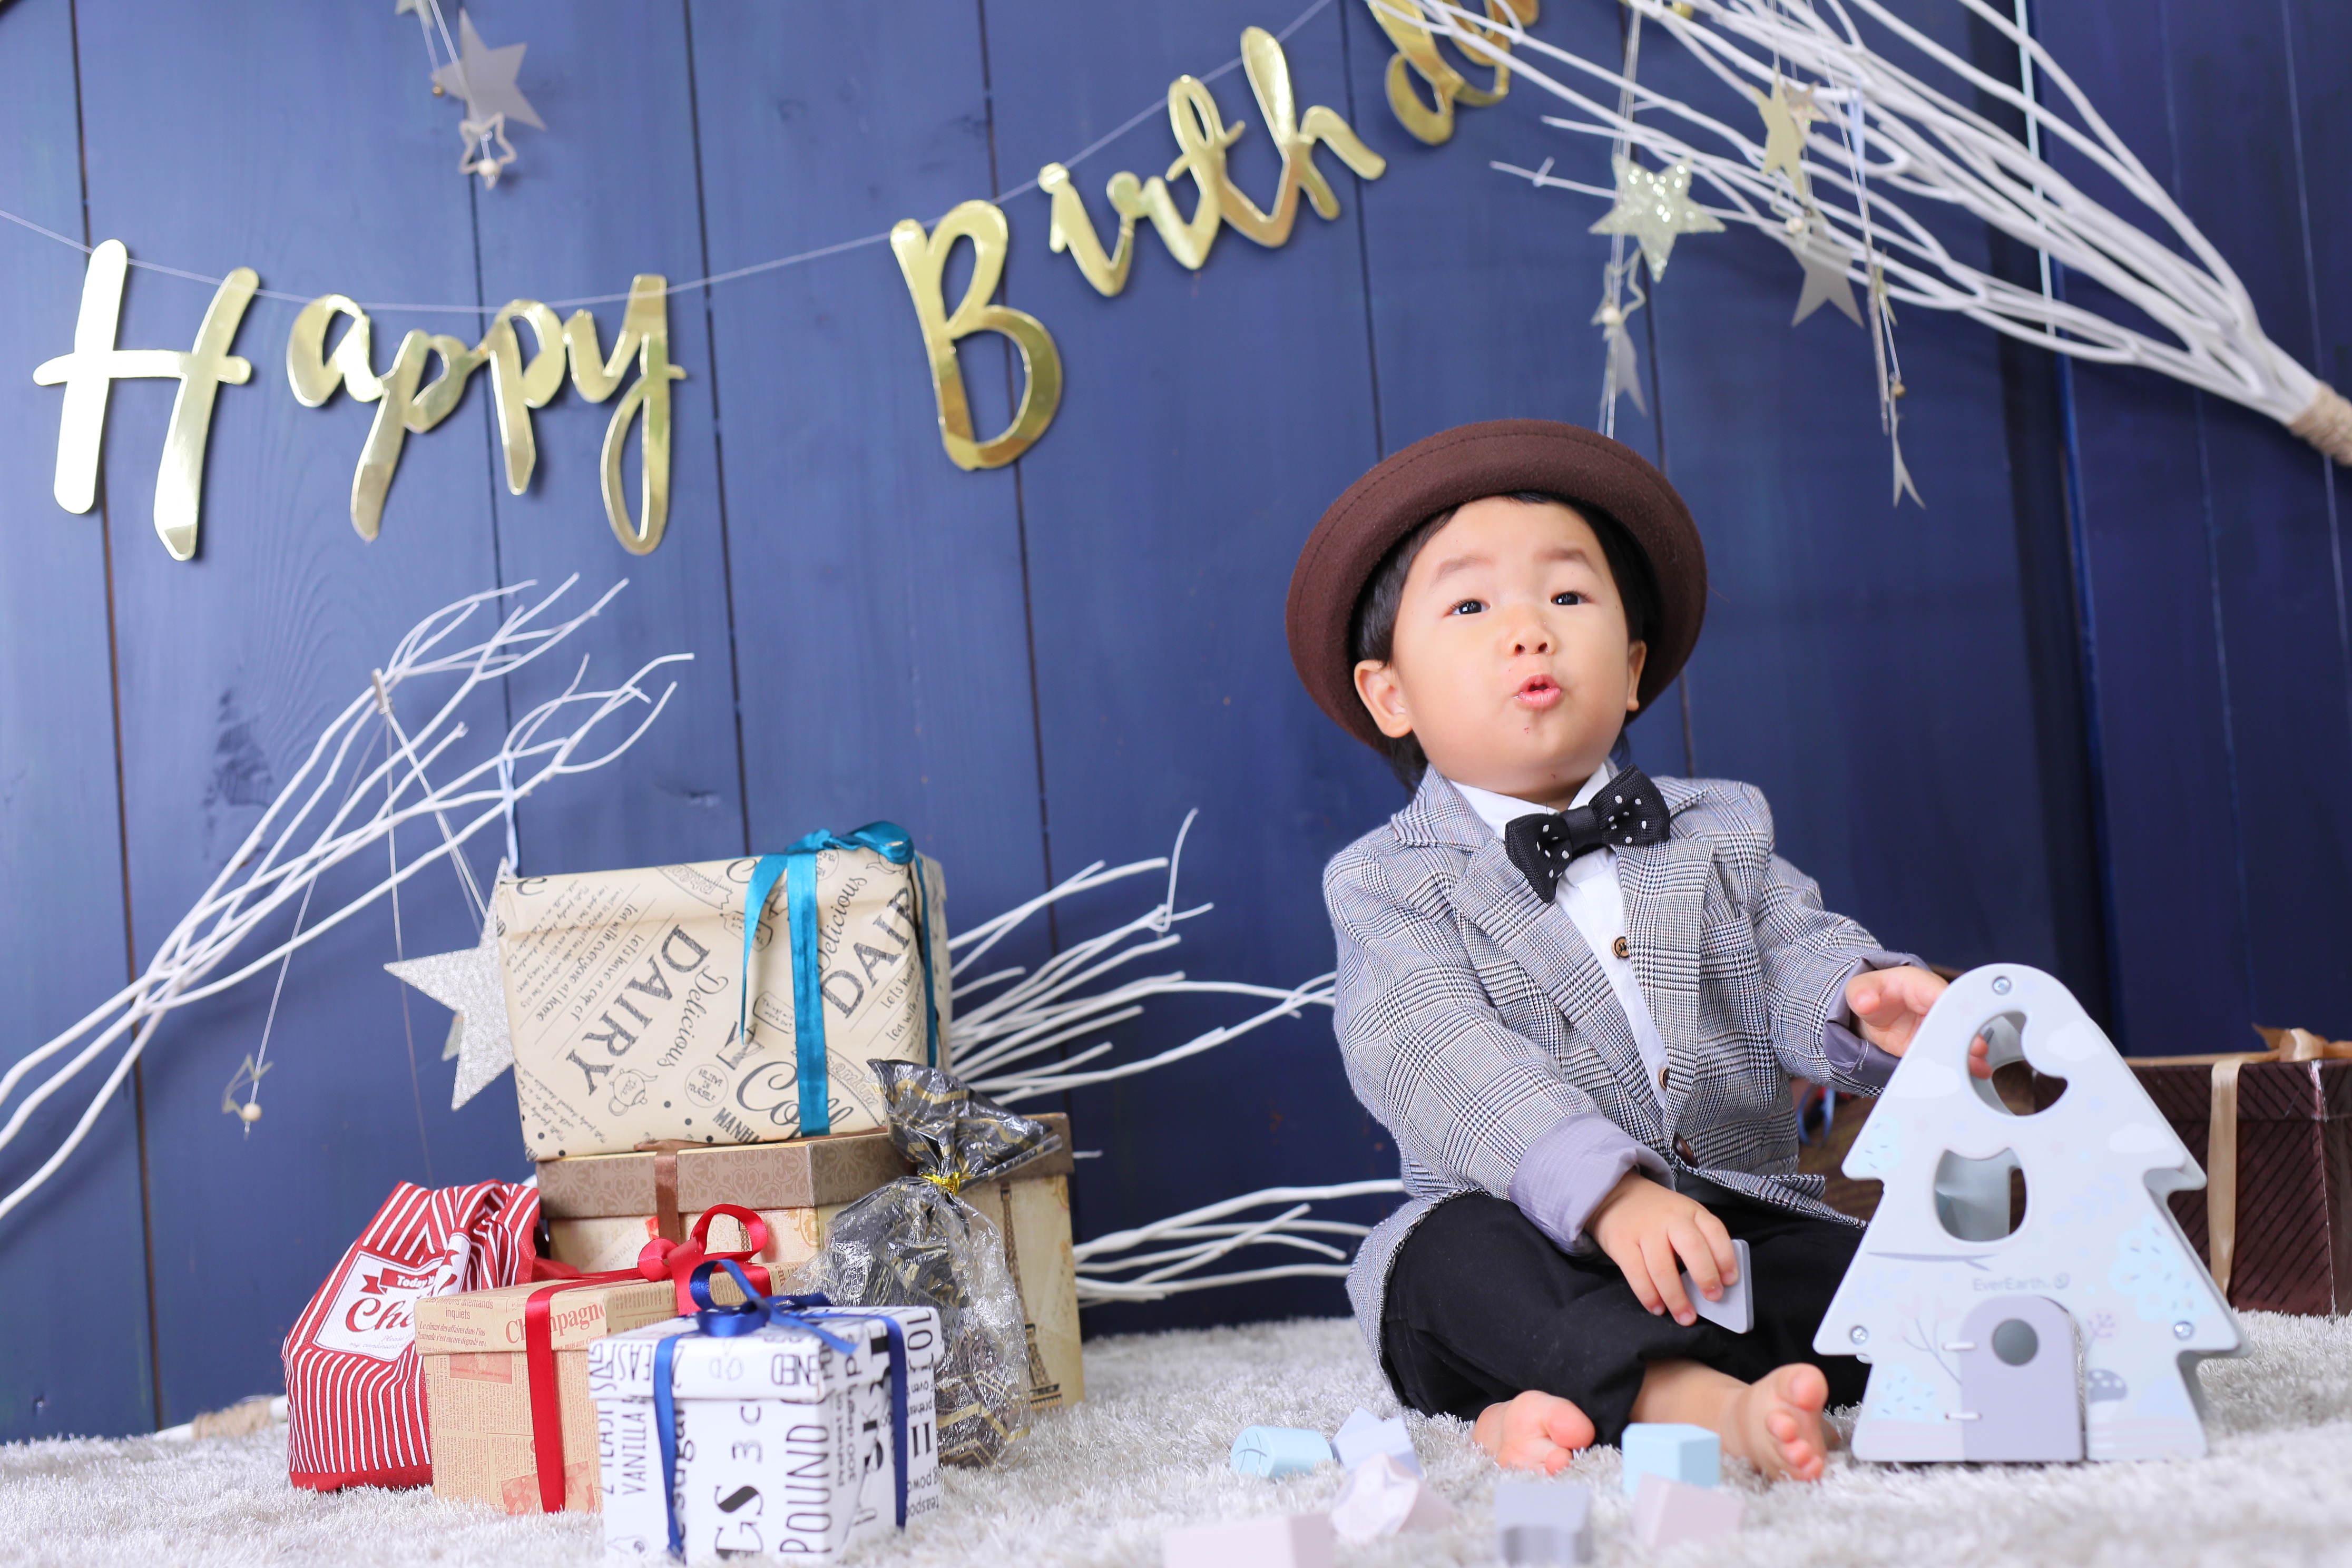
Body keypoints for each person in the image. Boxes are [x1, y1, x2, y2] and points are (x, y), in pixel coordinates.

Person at [1285, 420, 1983, 1483]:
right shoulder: (1386, 882)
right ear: (1393, 696)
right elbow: (1430, 1048)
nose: (1530, 632)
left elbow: (1788, 947)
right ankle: (1690, 1402)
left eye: (1568, 597)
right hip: (1527, 1228)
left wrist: (1859, 1000)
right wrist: (1609, 1194)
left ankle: (1551, 1401)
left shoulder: (1720, 829)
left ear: (1634, 671)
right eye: (1471, 608)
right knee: (1448, 1271)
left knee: (1892, 1285)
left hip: (1729, 1225)